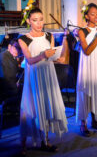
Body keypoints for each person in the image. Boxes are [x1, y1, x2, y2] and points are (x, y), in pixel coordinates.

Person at [18, 8, 68, 155]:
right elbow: (30, 60)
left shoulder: (49, 36)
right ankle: (23, 146)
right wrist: (43, 55)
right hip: (34, 77)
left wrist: (58, 56)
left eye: (41, 19)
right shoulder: (23, 39)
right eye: (35, 20)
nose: (39, 23)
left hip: (48, 74)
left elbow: (52, 56)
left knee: (46, 106)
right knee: (30, 108)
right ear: (28, 21)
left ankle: (45, 142)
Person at [76, 3, 97, 137]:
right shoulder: (82, 31)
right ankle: (83, 124)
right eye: (92, 14)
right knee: (86, 93)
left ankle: (95, 120)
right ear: (86, 16)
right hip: (87, 67)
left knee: (96, 91)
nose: (96, 16)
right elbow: (87, 51)